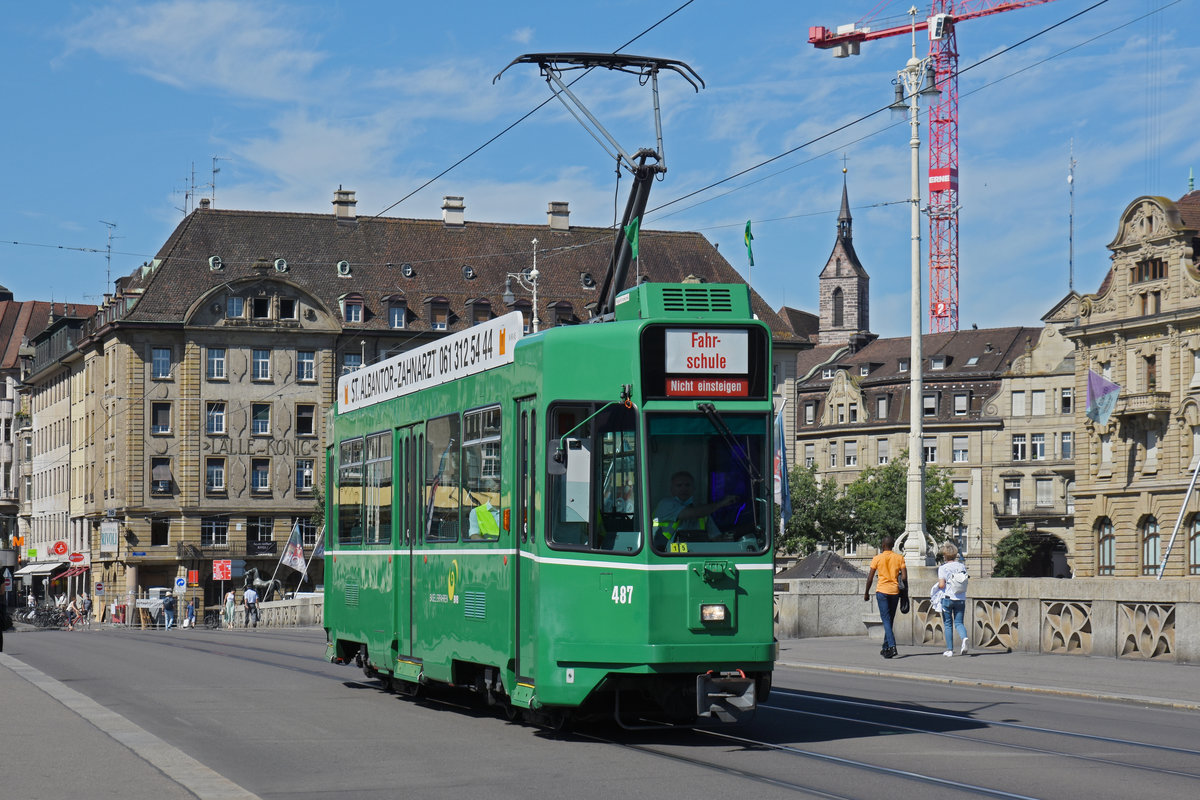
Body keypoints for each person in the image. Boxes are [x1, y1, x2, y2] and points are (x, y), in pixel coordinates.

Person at [652, 470, 737, 549]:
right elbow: (690, 513)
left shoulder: (703, 512)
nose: (684, 488)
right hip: (665, 555)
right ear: (671, 489)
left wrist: (728, 538)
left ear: (694, 489)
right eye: (679, 485)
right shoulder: (665, 504)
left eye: (687, 485)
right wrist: (721, 504)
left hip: (697, 555)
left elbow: (716, 539)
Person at [863, 535, 908, 659]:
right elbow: (904, 577)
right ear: (893, 545)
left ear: (883, 545)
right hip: (894, 592)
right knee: (890, 619)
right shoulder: (899, 558)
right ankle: (885, 647)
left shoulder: (877, 558)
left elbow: (870, 578)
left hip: (882, 591)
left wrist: (866, 592)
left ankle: (892, 646)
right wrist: (905, 592)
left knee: (886, 619)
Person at [938, 541, 970, 656]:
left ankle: (950, 650)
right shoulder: (961, 566)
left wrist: (937, 586)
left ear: (945, 555)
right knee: (959, 622)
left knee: (948, 624)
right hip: (961, 598)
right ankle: (964, 638)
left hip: (948, 598)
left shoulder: (943, 568)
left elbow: (941, 585)